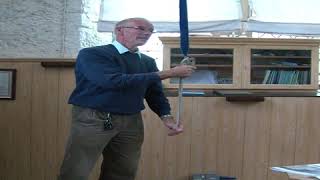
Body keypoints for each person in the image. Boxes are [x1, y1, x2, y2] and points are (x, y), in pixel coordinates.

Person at [57, 17, 196, 180]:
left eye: (150, 30)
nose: (147, 33)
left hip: (131, 121)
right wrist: (169, 73)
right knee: (76, 170)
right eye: (141, 28)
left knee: (124, 172)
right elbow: (112, 81)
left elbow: (154, 93)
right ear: (119, 30)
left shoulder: (147, 61)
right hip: (93, 118)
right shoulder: (92, 54)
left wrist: (167, 118)